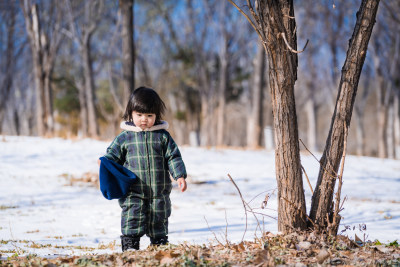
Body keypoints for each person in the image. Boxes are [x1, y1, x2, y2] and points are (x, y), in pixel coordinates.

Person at [102, 86, 187, 251]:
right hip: (133, 191)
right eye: (139, 115)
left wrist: (179, 176)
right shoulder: (125, 137)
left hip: (158, 191)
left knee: (159, 219)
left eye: (149, 115)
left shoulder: (162, 137)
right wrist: (105, 163)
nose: (144, 119)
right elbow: (112, 156)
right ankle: (130, 247)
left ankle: (159, 246)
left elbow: (173, 156)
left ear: (156, 116)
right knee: (132, 217)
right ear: (130, 114)